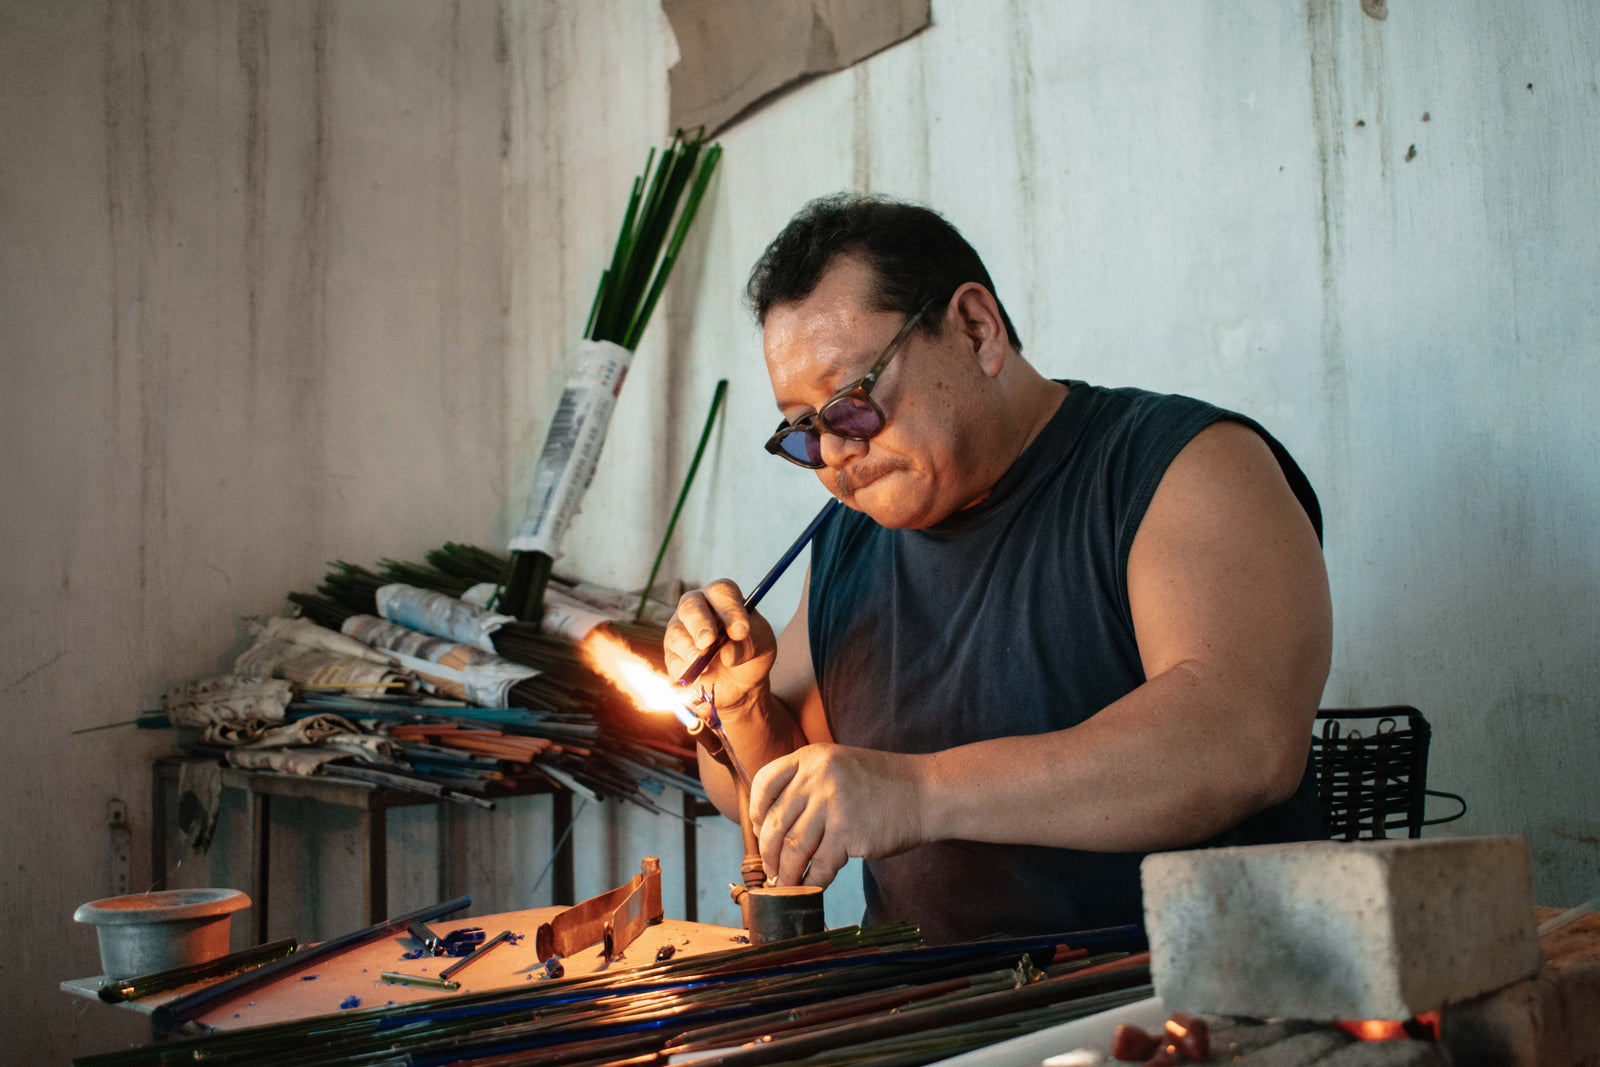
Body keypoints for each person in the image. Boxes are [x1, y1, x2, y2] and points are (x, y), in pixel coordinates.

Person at [664, 194, 1332, 943]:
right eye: (802, 431)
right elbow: (758, 790)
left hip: (1175, 1009)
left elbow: (1241, 738)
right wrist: (740, 708)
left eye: (851, 402)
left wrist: (918, 791)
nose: (834, 455)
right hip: (936, 1020)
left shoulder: (1179, 466)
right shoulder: (851, 541)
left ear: (977, 329)